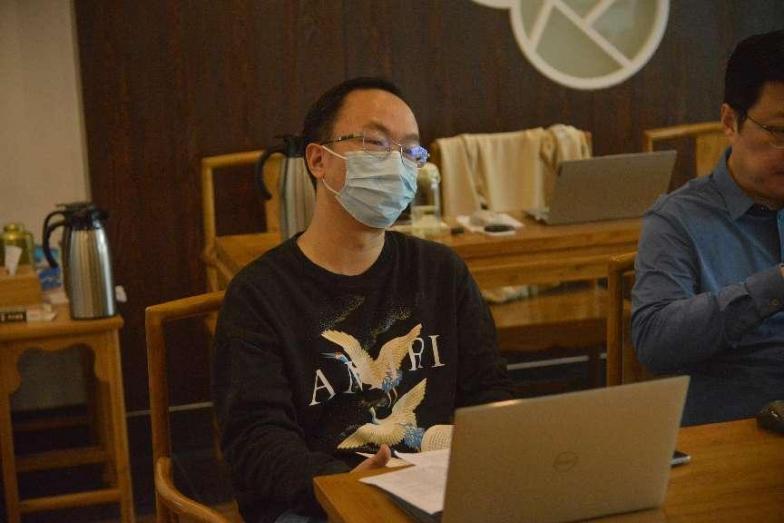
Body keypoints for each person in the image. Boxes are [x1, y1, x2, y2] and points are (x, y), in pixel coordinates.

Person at [212, 77, 514, 523]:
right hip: (316, 504)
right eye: (375, 143)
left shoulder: (441, 272)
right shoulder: (259, 296)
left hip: (440, 491)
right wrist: (344, 486)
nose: (396, 162)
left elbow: (488, 390)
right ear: (319, 160)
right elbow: (256, 442)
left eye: (410, 150)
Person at [632, 30, 784, 426]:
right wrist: (776, 285)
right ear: (730, 122)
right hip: (734, 430)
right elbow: (654, 341)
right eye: (780, 133)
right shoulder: (677, 220)